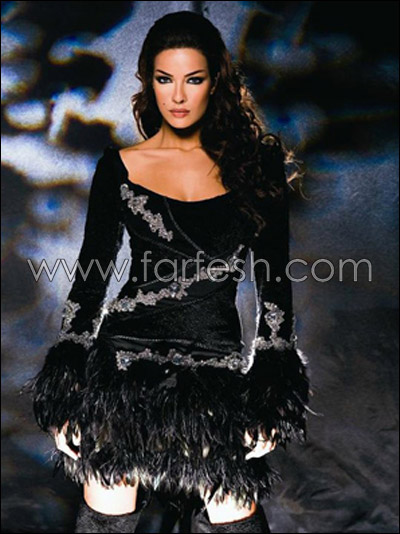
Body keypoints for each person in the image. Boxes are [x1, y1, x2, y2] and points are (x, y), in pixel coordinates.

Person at [21, 10, 314, 534]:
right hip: (122, 362)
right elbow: (90, 280)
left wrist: (272, 390)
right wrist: (67, 388)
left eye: (193, 79)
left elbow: (275, 286)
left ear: (215, 82)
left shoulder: (257, 167)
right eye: (164, 79)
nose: (177, 96)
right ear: (148, 82)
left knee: (231, 506)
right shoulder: (120, 167)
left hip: (214, 369)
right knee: (106, 499)